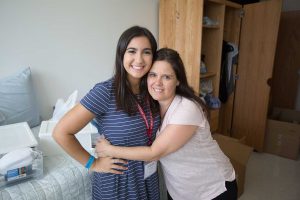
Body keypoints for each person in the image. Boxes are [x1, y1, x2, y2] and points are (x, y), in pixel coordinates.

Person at [96, 48, 238, 200]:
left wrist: (109, 149)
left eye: (166, 77)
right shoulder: (152, 106)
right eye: (153, 75)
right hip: (180, 191)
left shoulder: (187, 108)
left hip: (212, 188)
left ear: (178, 80)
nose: (158, 82)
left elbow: (154, 152)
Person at [53, 26, 161, 200]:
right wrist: (93, 163)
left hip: (148, 177)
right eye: (132, 51)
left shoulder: (152, 90)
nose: (139, 59)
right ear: (121, 55)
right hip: (119, 183)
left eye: (146, 52)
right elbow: (61, 132)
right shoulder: (105, 91)